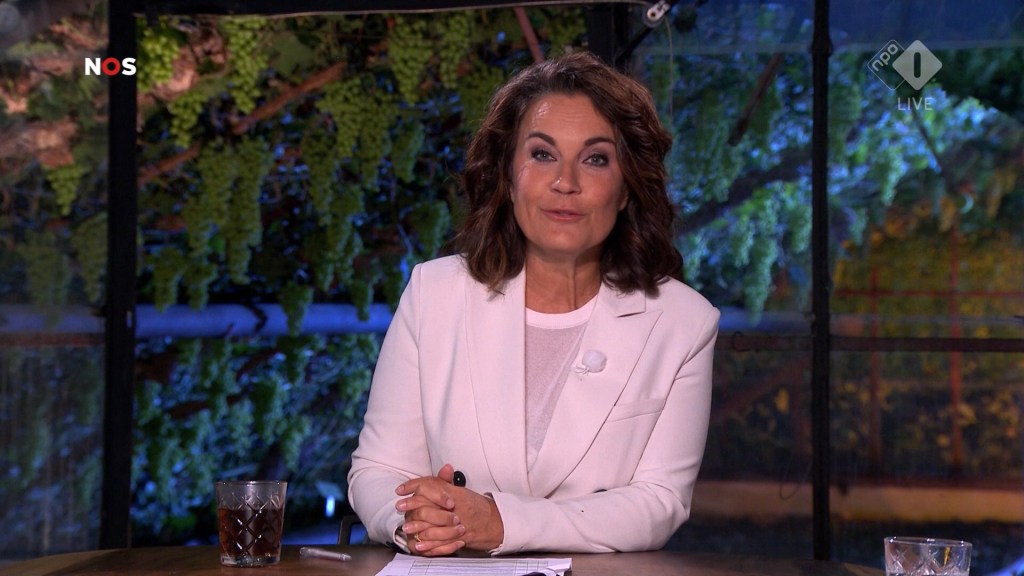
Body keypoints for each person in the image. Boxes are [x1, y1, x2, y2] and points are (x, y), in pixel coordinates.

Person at [347, 51, 719, 556]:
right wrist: (413, 518)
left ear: (627, 189)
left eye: (595, 159)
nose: (566, 182)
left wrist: (502, 522)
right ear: (507, 175)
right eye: (543, 154)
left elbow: (659, 502)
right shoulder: (434, 293)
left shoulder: (684, 322)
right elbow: (378, 469)